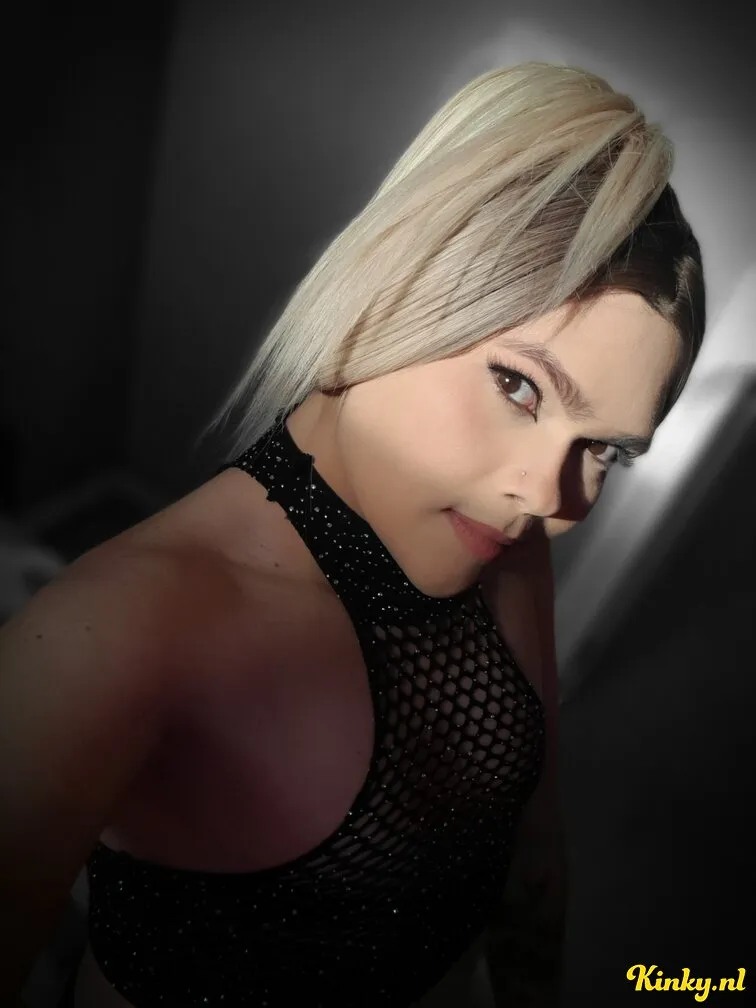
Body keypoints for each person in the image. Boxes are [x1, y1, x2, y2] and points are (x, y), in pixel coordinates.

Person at [0, 61, 704, 1008]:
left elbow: (537, 848)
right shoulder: (110, 638)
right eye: (518, 386)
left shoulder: (506, 539)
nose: (549, 496)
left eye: (605, 450)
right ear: (395, 286)